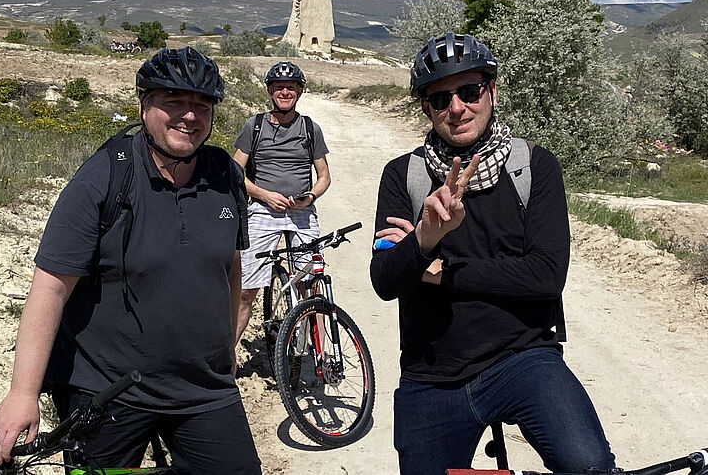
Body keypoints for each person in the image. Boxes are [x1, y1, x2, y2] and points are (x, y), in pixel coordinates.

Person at [0, 46, 261, 474]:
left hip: (204, 388)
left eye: (202, 105)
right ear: (145, 104)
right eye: (174, 102)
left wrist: (223, 350)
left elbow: (229, 268)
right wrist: (23, 393)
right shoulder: (105, 176)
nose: (190, 115)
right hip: (107, 392)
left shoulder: (226, 174)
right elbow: (51, 287)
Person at [369, 32, 615, 475]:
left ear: (492, 91)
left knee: (589, 466)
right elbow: (385, 280)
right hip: (431, 372)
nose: (457, 108)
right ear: (427, 108)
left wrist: (443, 273)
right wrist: (425, 237)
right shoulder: (402, 177)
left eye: (469, 91)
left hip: (523, 357)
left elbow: (545, 276)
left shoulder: (534, 167)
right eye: (440, 98)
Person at [231, 61, 331, 345]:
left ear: (299, 91)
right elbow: (235, 172)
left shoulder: (310, 128)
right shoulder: (256, 125)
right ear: (270, 91)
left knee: (311, 285)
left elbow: (324, 177)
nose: (285, 92)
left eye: (291, 87)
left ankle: (322, 354)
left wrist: (309, 197)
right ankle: (226, 359)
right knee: (246, 289)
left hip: (301, 212)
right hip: (263, 210)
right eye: (279, 87)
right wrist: (264, 195)